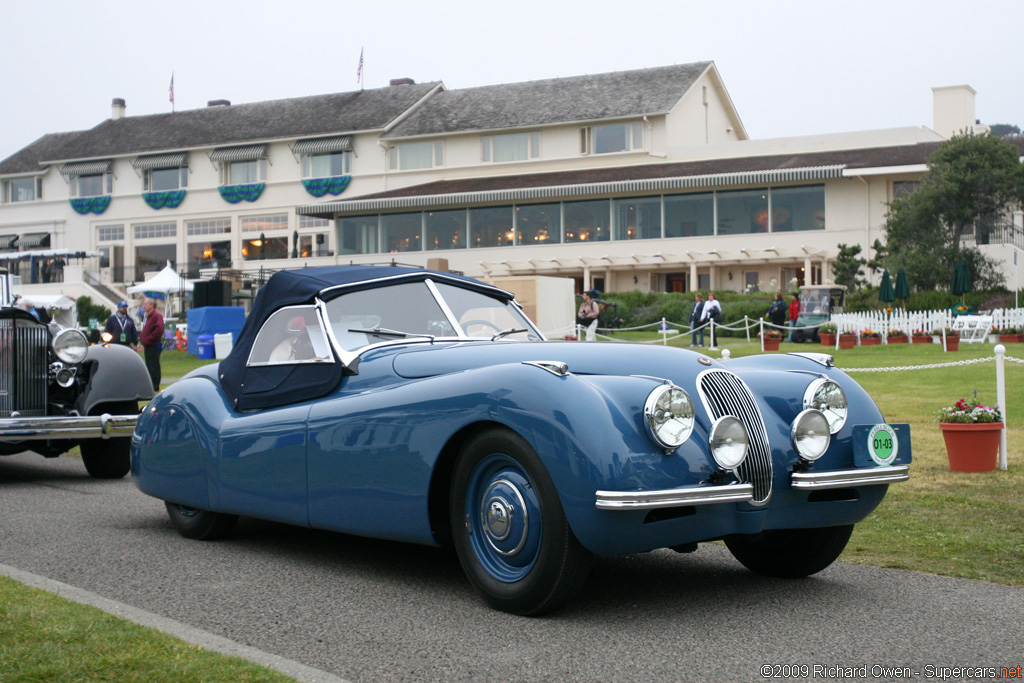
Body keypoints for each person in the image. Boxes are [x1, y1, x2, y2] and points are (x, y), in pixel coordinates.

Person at [140, 298, 165, 392]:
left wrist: (150, 338)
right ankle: (151, 385)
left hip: (153, 344)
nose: (144, 305)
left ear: (152, 305)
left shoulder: (156, 315)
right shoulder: (149, 316)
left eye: (145, 304)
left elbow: (159, 329)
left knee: (154, 365)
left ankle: (155, 385)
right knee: (149, 365)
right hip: (148, 345)